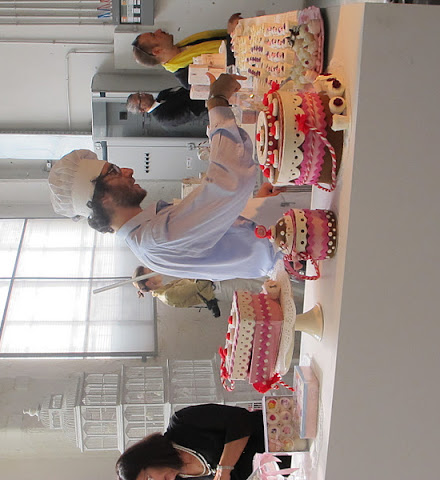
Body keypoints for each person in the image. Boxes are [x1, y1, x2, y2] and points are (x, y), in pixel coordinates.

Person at [47, 73, 283, 282]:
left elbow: (218, 222)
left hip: (277, 236)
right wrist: (217, 101)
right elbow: (226, 184)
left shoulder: (149, 231)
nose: (128, 171)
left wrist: (254, 205)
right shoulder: (155, 239)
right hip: (285, 248)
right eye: (114, 172)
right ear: (103, 199)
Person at [115, 403, 267, 480]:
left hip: (273, 434)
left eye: (149, 478)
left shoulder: (182, 424)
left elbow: (241, 420)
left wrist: (224, 468)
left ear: (148, 457)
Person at [131, 14, 241, 89]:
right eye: (154, 35)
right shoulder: (187, 77)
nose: (159, 30)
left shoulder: (185, 44)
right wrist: (230, 33)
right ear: (157, 51)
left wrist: (235, 32)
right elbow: (229, 75)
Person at [132, 266, 266, 317]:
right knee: (255, 287)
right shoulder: (168, 295)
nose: (154, 270)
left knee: (256, 278)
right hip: (218, 289)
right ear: (149, 283)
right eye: (150, 272)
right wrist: (203, 267)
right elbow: (200, 285)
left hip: (217, 280)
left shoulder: (167, 288)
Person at [126, 87, 208, 128]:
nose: (143, 94)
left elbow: (183, 87)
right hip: (207, 104)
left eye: (140, 93)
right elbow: (193, 113)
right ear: (142, 110)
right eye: (140, 98)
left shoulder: (162, 94)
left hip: (203, 88)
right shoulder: (162, 117)